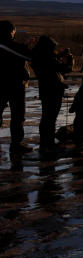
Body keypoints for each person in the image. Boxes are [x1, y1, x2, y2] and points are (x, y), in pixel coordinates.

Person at [31, 35, 73, 160]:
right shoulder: (46, 58)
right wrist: (69, 59)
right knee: (50, 119)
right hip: (53, 91)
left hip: (46, 90)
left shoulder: (39, 56)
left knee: (47, 118)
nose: (53, 49)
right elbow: (64, 68)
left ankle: (46, 143)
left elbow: (53, 63)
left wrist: (59, 56)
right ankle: (48, 144)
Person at [0, 21, 32, 158]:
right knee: (18, 115)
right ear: (10, 31)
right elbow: (29, 56)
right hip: (15, 85)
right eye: (14, 31)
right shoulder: (12, 46)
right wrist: (28, 46)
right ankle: (16, 144)